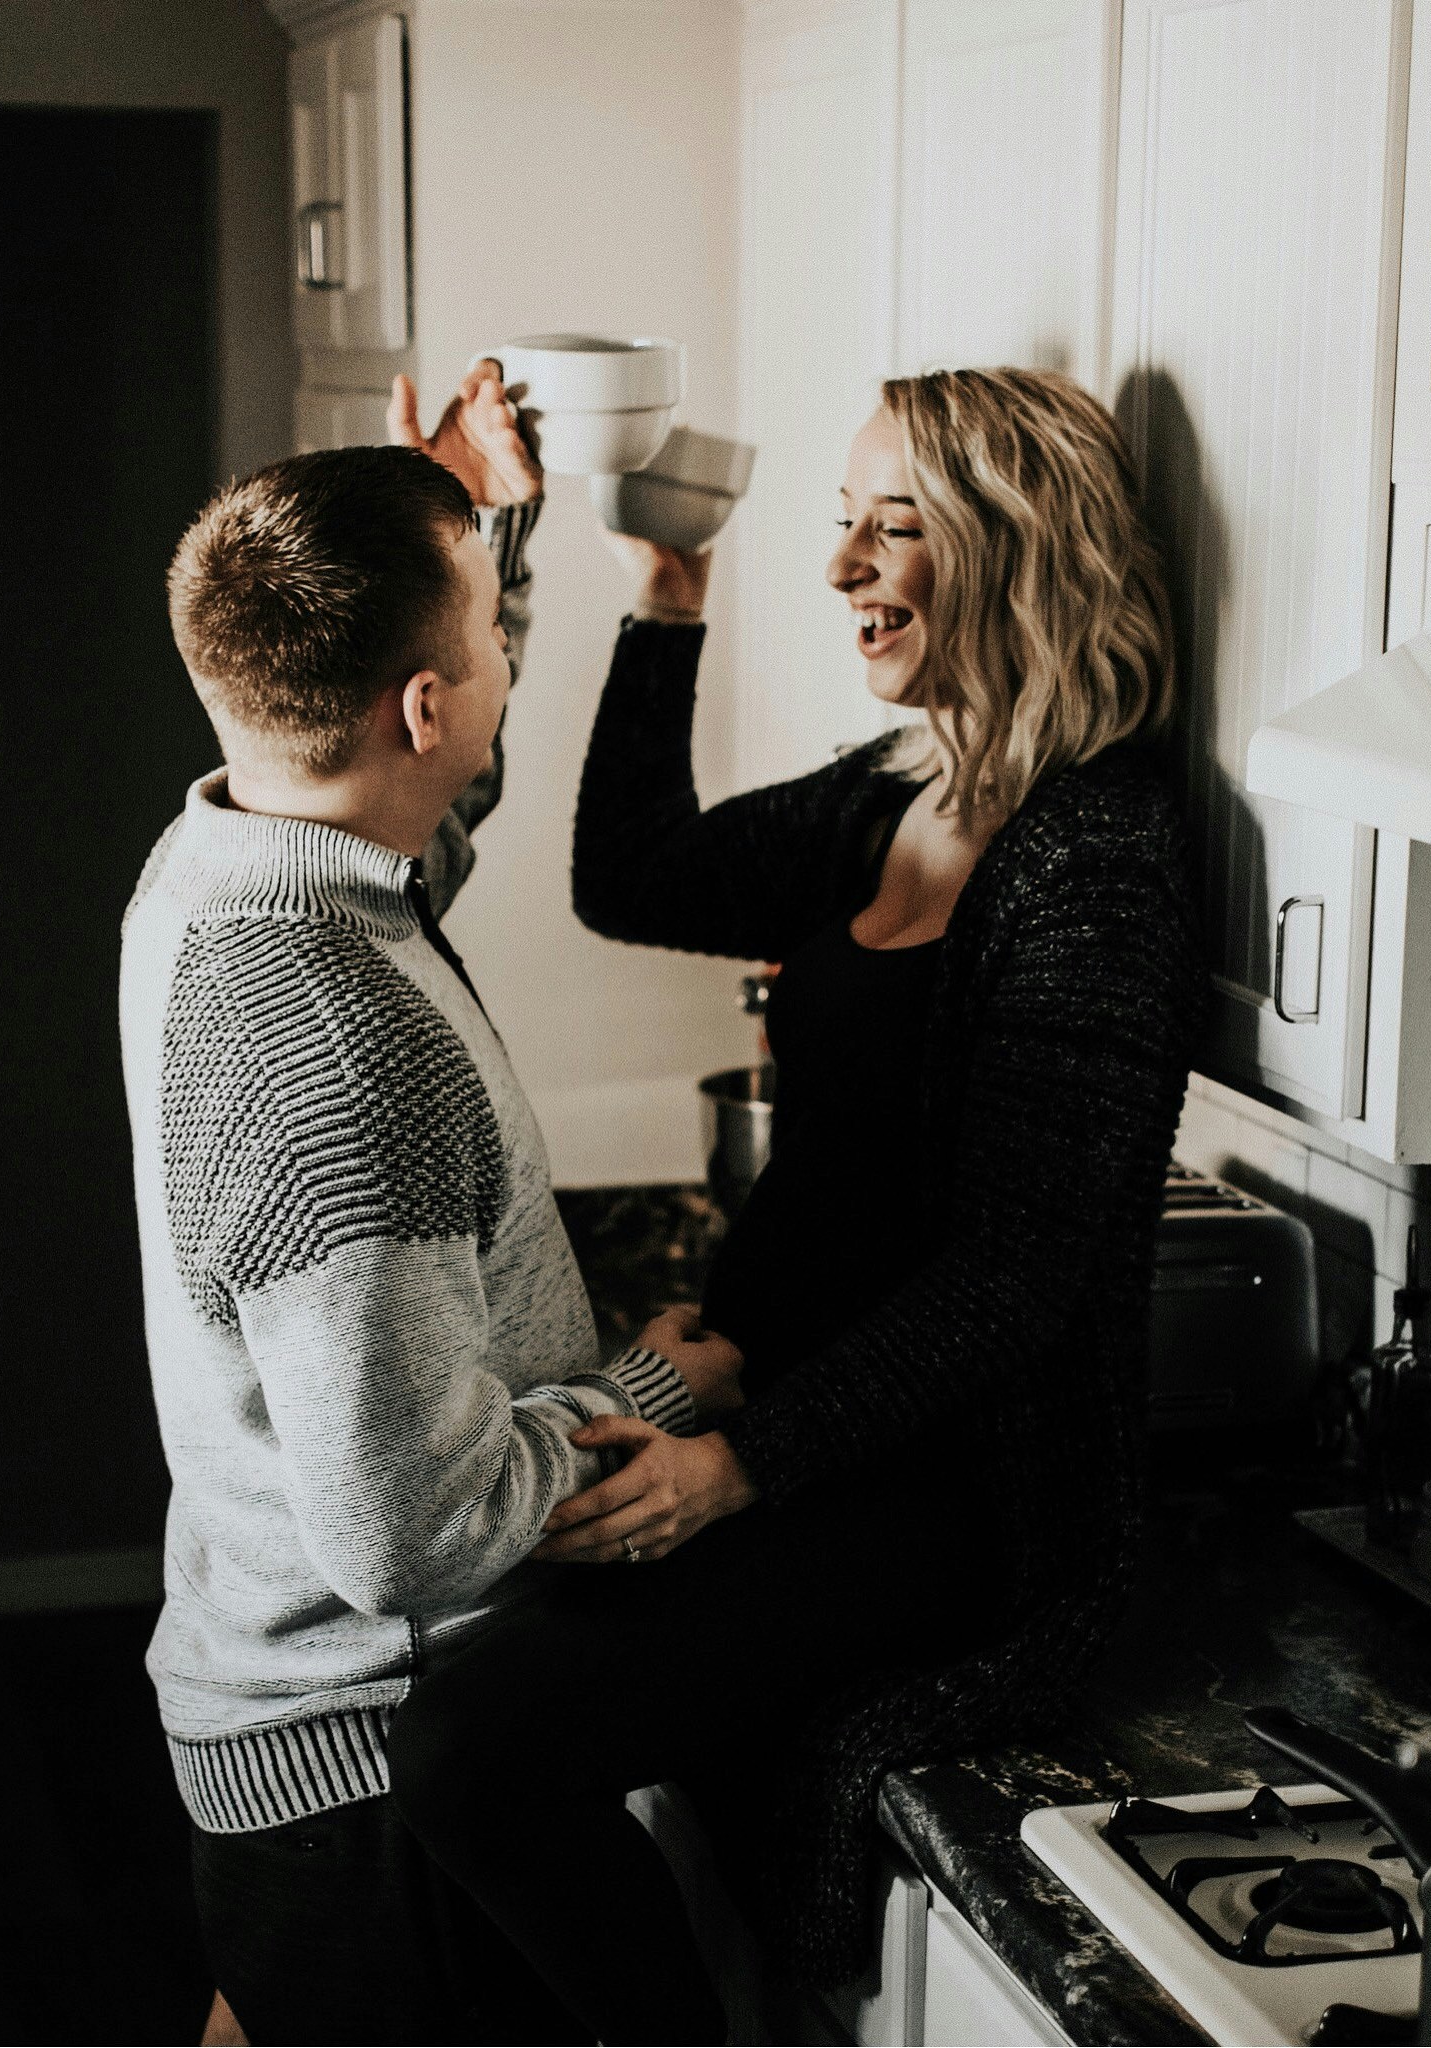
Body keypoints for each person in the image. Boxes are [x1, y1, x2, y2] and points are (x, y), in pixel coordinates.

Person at [380, 367, 1212, 2045]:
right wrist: (665, 597)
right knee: (453, 1714)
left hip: (951, 1490)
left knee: (478, 1753)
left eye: (893, 529)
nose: (842, 568)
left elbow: (1014, 1282)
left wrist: (736, 1466)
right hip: (774, 1413)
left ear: (1021, 554)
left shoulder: (1095, 856)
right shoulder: (895, 790)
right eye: (842, 523)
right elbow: (632, 878)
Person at [118, 361, 742, 2046]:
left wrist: (487, 527)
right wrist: (655, 1392)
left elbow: (433, 798)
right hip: (374, 1757)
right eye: (489, 639)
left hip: (274, 1720)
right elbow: (416, 1529)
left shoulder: (226, 858)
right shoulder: (338, 1044)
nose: (504, 669)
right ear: (419, 704)